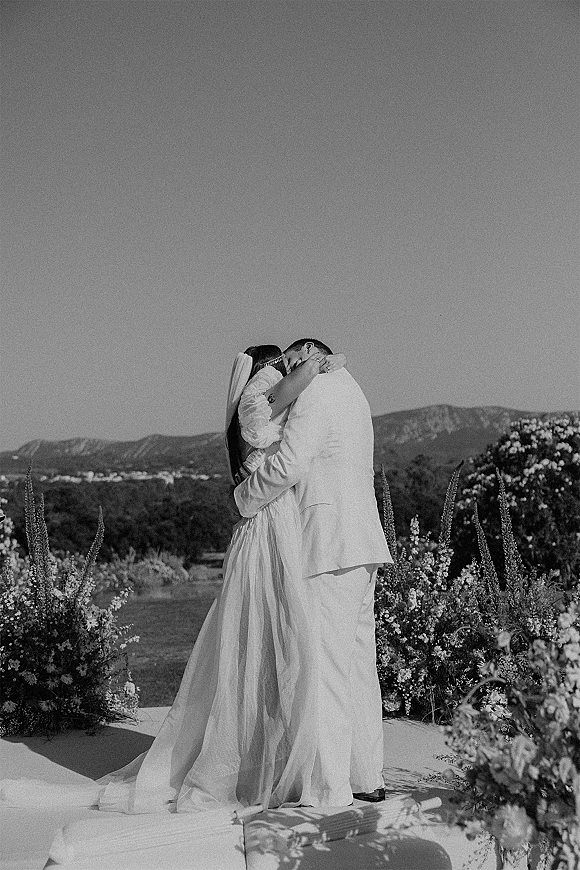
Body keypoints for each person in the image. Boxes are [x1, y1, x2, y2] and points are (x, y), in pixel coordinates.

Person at [1, 343, 351, 821]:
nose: (291, 363)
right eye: (283, 359)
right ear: (266, 367)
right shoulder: (261, 393)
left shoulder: (269, 392)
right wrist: (315, 366)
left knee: (282, 638)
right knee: (267, 636)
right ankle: (257, 761)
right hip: (270, 523)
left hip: (282, 522)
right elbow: (273, 416)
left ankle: (277, 755)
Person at [234, 338, 393, 806]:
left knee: (324, 668)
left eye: (290, 361)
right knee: (360, 667)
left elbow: (288, 465)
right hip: (364, 543)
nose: (287, 373)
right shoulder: (353, 390)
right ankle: (367, 777)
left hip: (328, 544)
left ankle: (329, 788)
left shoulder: (317, 394)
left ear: (306, 353)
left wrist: (243, 499)